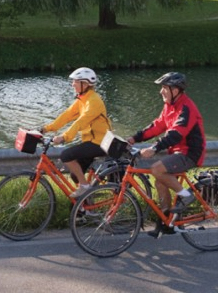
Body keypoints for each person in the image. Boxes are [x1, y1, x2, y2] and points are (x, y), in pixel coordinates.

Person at [127, 71, 205, 237]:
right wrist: (134, 138)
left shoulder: (186, 108)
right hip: (176, 151)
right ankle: (167, 221)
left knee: (157, 169)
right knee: (160, 183)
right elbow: (157, 126)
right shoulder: (170, 106)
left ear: (175, 91)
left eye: (164, 88)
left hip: (190, 153)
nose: (161, 91)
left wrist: (154, 148)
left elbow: (176, 134)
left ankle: (186, 196)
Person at [40, 67, 110, 198]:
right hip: (91, 141)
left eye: (76, 82)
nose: (73, 84)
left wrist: (64, 137)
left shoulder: (94, 101)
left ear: (85, 83)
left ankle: (85, 187)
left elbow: (80, 122)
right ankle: (87, 208)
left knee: (66, 155)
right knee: (75, 175)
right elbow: (66, 116)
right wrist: (45, 129)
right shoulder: (83, 99)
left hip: (100, 142)